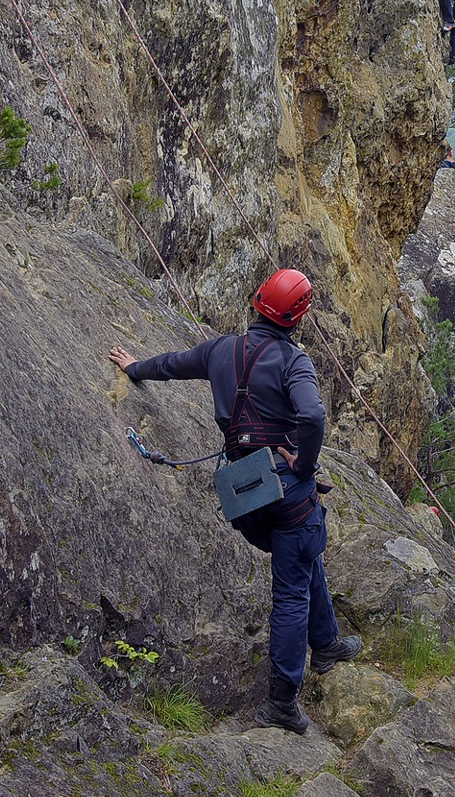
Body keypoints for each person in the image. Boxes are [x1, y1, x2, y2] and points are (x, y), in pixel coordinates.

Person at [108, 269, 362, 733]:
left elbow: (171, 365)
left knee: (304, 557)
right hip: (288, 491)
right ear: (298, 316)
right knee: (291, 584)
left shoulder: (221, 349)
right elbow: (311, 414)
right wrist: (304, 466)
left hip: (245, 490)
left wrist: (133, 367)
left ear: (257, 301)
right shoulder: (294, 362)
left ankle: (326, 644)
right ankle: (282, 702)